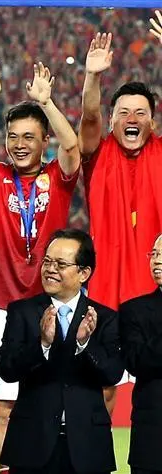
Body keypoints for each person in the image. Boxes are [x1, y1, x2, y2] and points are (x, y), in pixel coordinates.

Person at [0, 60, 81, 471]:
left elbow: (72, 148)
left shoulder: (58, 178)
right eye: (12, 137)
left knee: (56, 407)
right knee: (7, 411)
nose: (19, 144)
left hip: (55, 307)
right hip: (6, 308)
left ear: (44, 139)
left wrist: (46, 103)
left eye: (29, 136)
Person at [0, 229, 123, 474]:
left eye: (61, 264)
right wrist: (42, 344)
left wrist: (85, 344)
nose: (50, 269)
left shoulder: (104, 318)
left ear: (84, 273)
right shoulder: (22, 312)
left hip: (88, 447)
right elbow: (7, 369)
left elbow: (112, 374)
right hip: (32, 445)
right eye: (47, 261)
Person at [78, 29, 162, 312]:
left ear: (153, 123)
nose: (132, 119)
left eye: (141, 113)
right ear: (111, 121)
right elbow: (90, 116)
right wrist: (93, 76)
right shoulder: (97, 154)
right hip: (107, 298)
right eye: (123, 113)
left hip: (156, 298)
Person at [119, 232, 162, 474]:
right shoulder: (134, 311)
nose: (157, 261)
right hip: (153, 441)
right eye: (154, 254)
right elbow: (136, 361)